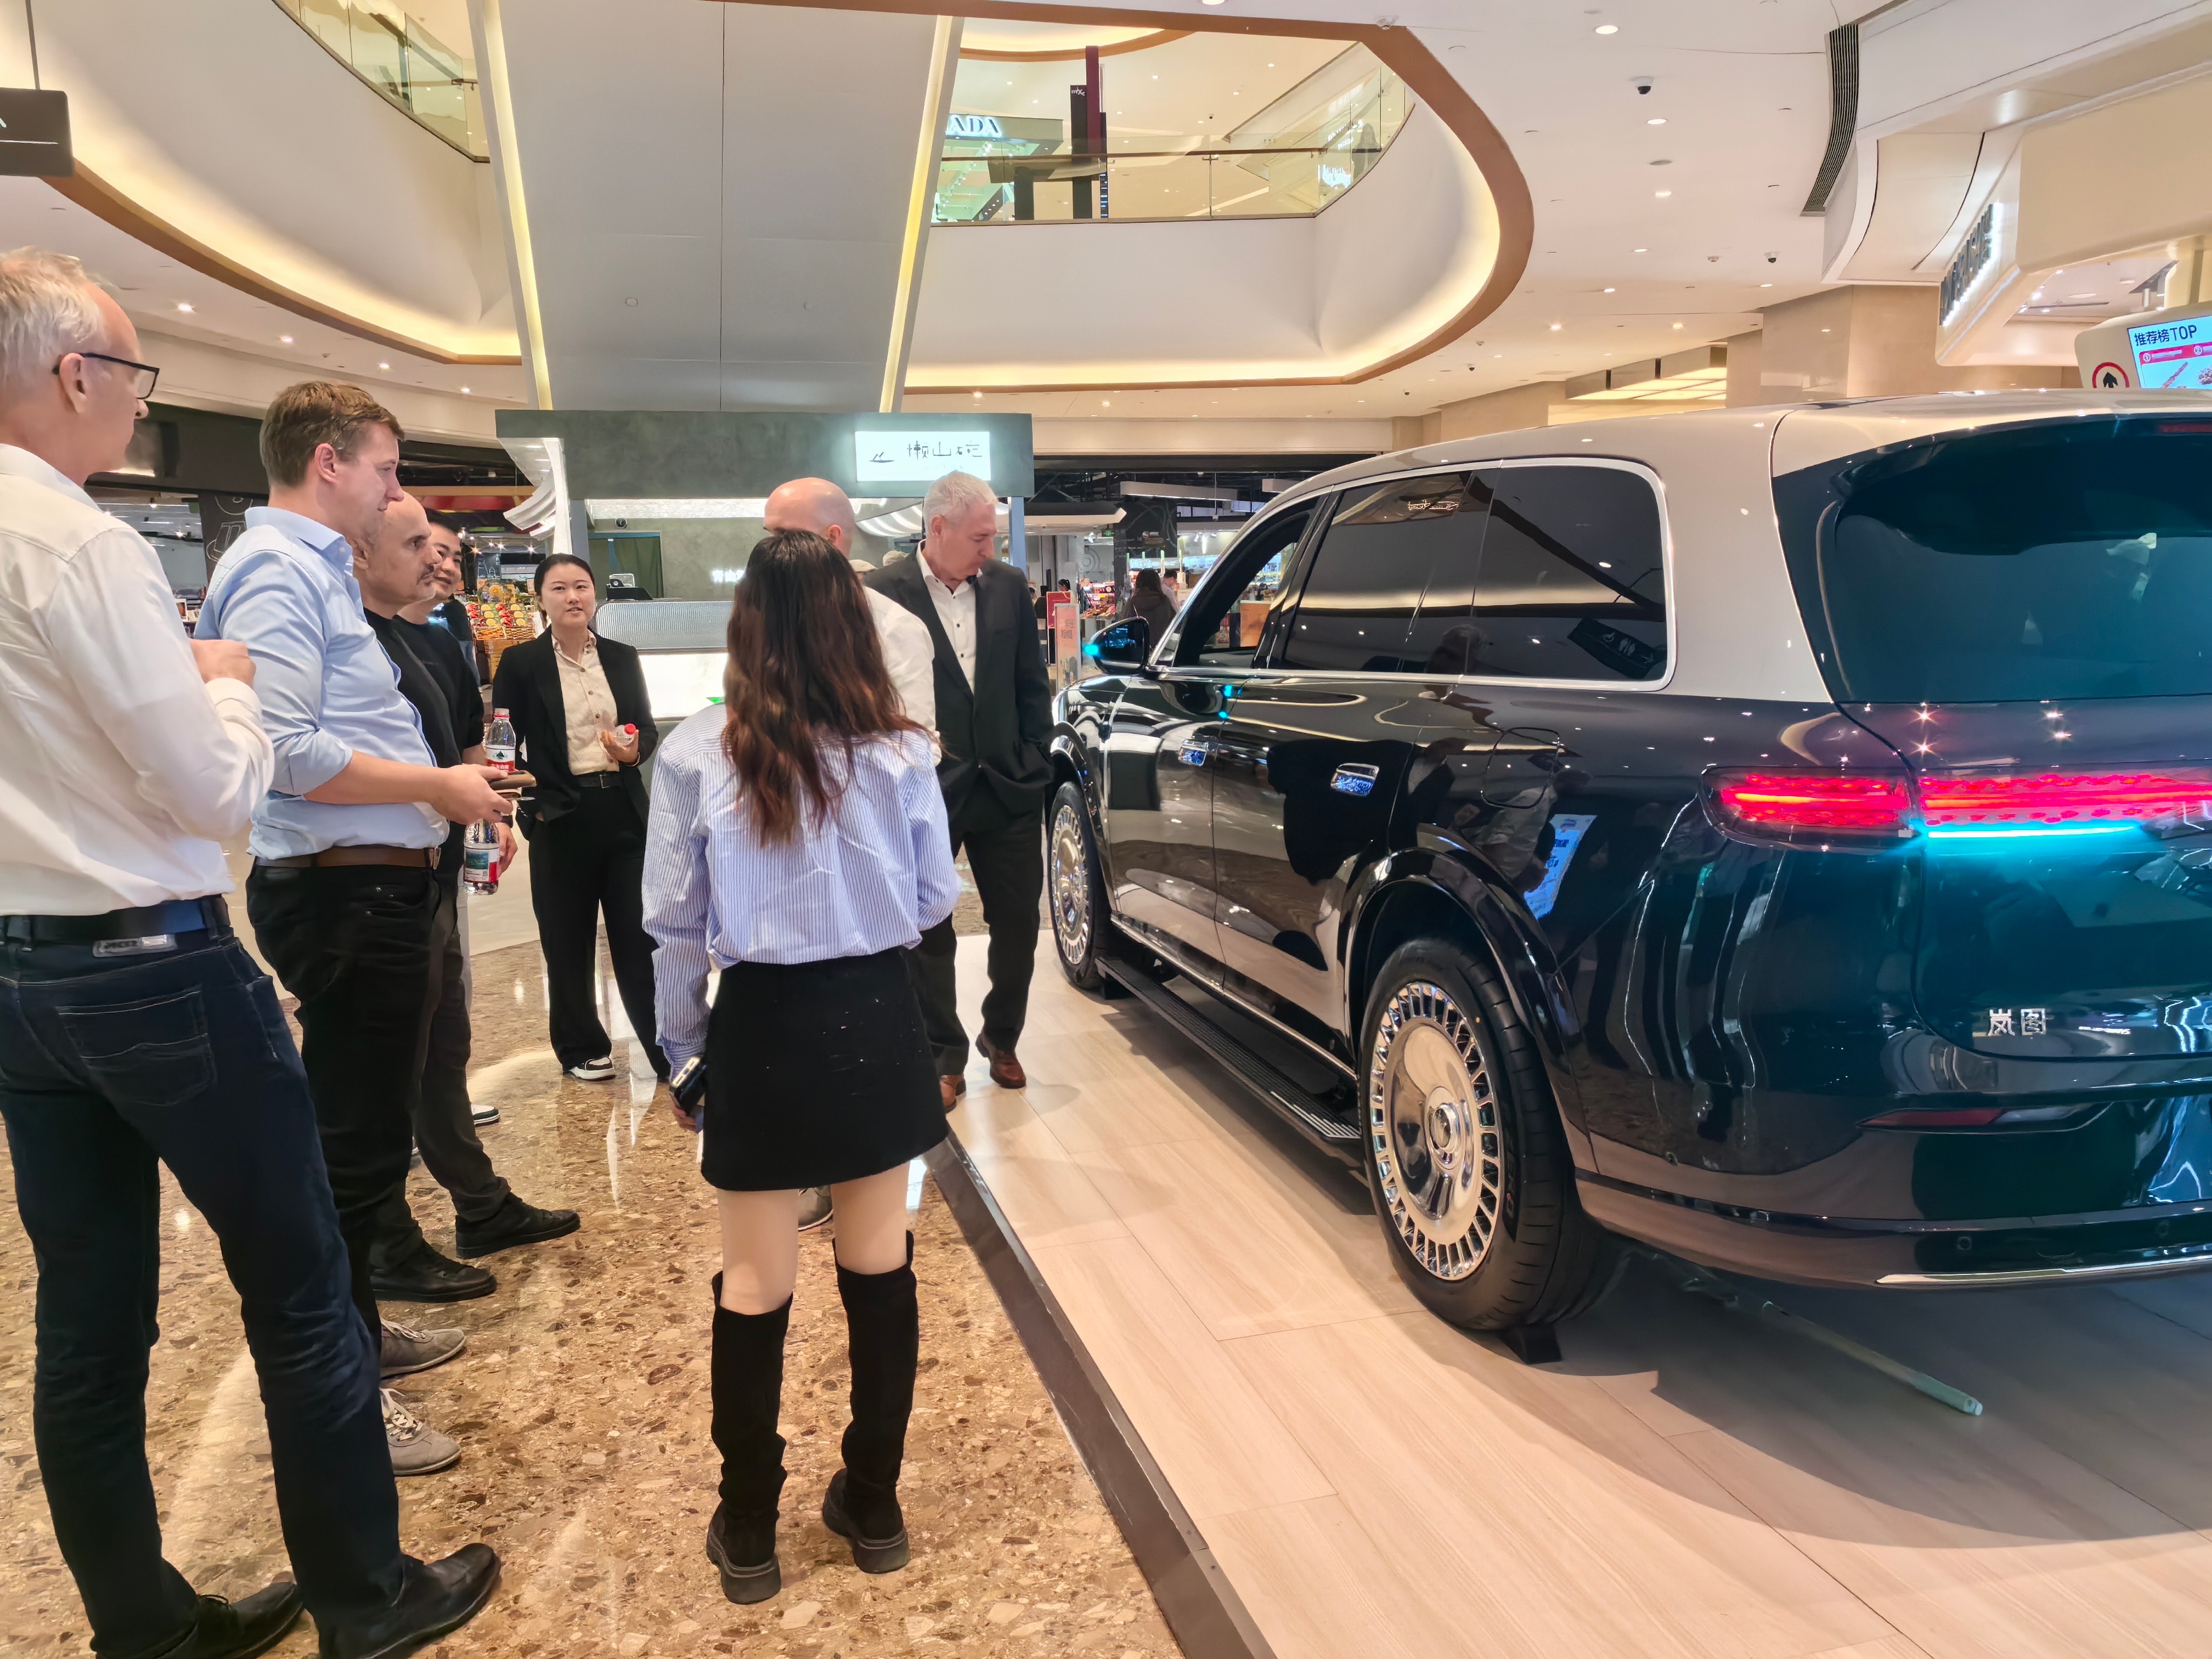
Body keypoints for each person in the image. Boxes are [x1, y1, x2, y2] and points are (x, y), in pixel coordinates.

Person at [0, 251, 496, 1659]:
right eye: (132, 373)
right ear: (76, 375)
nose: (138, 402)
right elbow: (221, 789)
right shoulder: (83, 544)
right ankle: (366, 1595)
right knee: (300, 1285)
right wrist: (221, 688)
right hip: (153, 960)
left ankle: (144, 1626)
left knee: (87, 1327)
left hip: (24, 971)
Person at [197, 380, 513, 1474]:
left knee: (368, 1144)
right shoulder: (277, 571)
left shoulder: (315, 570)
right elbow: (283, 751)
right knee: (349, 1154)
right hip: (345, 894)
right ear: (328, 462)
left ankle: (361, 1341)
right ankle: (345, 1393)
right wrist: (436, 784)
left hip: (375, 887)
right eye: (385, 468)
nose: (394, 491)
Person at [645, 529, 956, 1606]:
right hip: (874, 1014)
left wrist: (681, 1051)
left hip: (763, 1026)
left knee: (755, 1282)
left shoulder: (695, 752)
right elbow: (933, 901)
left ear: (745, 628)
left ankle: (747, 1529)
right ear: (849, 627)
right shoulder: (901, 751)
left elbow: (673, 925)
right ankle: (873, 1502)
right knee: (880, 1260)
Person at [356, 494, 581, 1318]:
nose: (440, 560)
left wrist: (490, 823)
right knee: (383, 1066)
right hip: (365, 882)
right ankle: (382, 1240)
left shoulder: (438, 644)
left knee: (442, 1042)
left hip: (432, 872)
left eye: (444, 547)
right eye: (420, 543)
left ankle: (478, 1205)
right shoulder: (348, 640)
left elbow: (467, 752)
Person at [865, 471, 1053, 1109]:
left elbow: (1031, 682)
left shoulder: (1007, 587)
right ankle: (942, 1054)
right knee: (928, 928)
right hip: (924, 791)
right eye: (978, 538)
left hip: (1008, 784)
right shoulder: (880, 593)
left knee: (1019, 923)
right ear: (937, 527)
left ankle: (1002, 1036)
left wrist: (1035, 757)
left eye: (992, 537)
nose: (988, 550)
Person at [490, 554, 667, 1082]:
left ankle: (664, 1047)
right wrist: (516, 812)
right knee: (566, 938)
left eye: (582, 587)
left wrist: (633, 751)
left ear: (594, 595)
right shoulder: (521, 663)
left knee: (640, 936)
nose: (573, 597)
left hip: (623, 812)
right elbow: (503, 746)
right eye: (560, 588)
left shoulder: (621, 656)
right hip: (560, 815)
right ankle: (580, 1047)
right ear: (541, 598)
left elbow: (646, 728)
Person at [762, 477, 934, 739]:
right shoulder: (763, 616)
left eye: (785, 536)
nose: (771, 550)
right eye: (770, 535)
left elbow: (917, 744)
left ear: (832, 537)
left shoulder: (894, 629)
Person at [1125, 567, 1176, 638]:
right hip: (1161, 644)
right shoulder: (1165, 601)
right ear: (1158, 583)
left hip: (1141, 644)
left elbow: (1125, 627)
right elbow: (1176, 624)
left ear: (1138, 583)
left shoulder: (1132, 602)